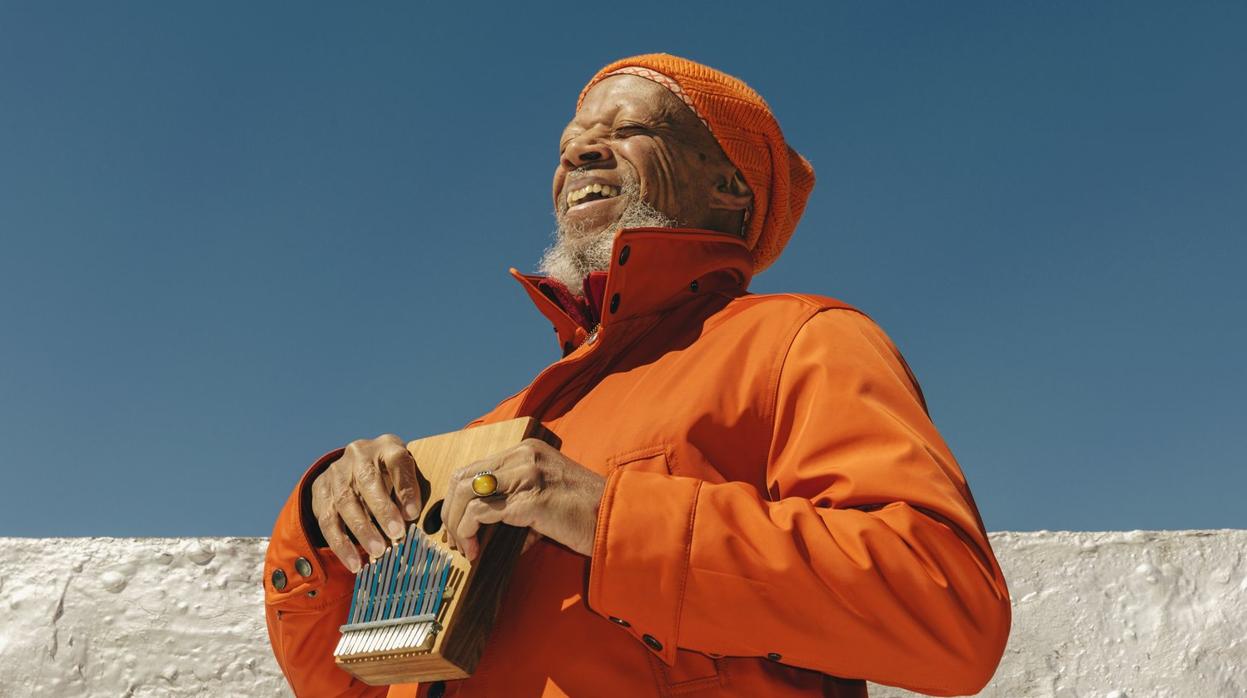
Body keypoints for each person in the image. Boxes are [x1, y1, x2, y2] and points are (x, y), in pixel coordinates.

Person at [264, 53, 1012, 698]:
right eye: (568, 144)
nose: (580, 154)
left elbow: (946, 614)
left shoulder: (797, 340)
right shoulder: (488, 431)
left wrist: (609, 520)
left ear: (728, 185)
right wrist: (321, 532)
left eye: (625, 132)